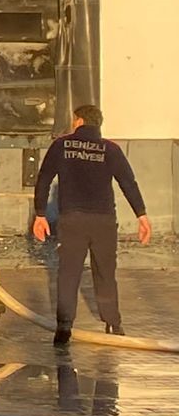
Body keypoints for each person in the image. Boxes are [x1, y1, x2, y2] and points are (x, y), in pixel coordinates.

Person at [32, 104, 152, 345]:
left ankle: (64, 328)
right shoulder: (111, 149)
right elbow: (128, 182)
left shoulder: (61, 145)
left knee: (68, 273)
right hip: (104, 220)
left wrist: (40, 214)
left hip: (72, 220)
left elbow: (44, 178)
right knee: (105, 272)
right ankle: (113, 323)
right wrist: (142, 215)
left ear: (78, 121)